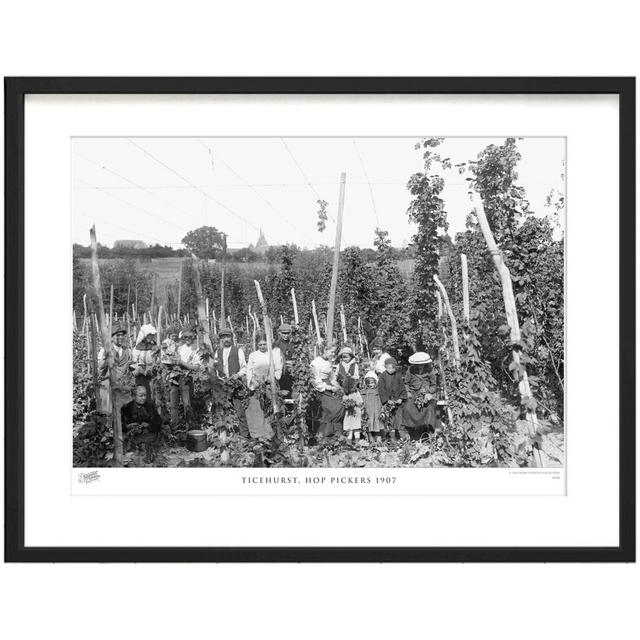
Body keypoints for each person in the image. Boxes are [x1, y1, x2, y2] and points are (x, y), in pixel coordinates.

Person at [245, 331, 283, 438]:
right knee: (257, 409)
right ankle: (258, 435)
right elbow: (249, 370)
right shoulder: (253, 355)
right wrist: (253, 381)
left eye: (264, 344)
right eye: (260, 345)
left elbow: (278, 369)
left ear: (268, 343)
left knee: (270, 408)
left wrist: (271, 378)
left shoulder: (273, 354)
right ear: (257, 345)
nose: (262, 347)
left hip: (269, 385)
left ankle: (271, 434)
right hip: (257, 386)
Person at [214, 327, 250, 438]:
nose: (226, 339)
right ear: (221, 339)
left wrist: (237, 375)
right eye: (223, 337)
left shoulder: (238, 351)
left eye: (228, 337)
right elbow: (215, 369)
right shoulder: (218, 352)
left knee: (239, 411)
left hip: (235, 385)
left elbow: (245, 367)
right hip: (222, 385)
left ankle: (244, 435)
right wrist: (218, 378)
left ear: (231, 338)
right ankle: (224, 435)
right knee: (223, 411)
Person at [309, 342, 345, 438]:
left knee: (341, 404)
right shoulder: (315, 363)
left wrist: (338, 387)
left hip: (329, 387)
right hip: (320, 390)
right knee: (333, 407)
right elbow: (316, 382)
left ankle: (336, 433)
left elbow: (332, 377)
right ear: (325, 350)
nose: (333, 354)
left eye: (335, 352)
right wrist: (329, 388)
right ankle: (325, 433)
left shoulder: (329, 362)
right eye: (332, 352)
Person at [97, 322, 132, 415]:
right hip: (108, 384)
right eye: (118, 335)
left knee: (124, 411)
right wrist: (107, 360)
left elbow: (131, 366)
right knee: (108, 411)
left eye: (122, 335)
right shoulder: (105, 350)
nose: (121, 337)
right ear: (112, 337)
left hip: (122, 384)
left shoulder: (127, 350)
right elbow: (100, 367)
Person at [121, 385, 163, 462]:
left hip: (147, 435)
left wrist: (149, 425)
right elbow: (119, 425)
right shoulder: (126, 408)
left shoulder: (150, 406)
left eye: (145, 395)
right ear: (133, 396)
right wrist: (128, 426)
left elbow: (158, 422)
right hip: (132, 436)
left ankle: (146, 454)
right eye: (141, 396)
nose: (144, 398)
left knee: (149, 441)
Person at [402, 351, 439, 439]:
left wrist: (429, 393)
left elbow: (434, 386)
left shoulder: (430, 370)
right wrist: (408, 392)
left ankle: (430, 430)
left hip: (426, 394)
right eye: (418, 364)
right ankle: (409, 430)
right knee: (407, 407)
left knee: (429, 408)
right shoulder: (410, 370)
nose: (420, 366)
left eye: (422, 364)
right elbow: (406, 383)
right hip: (413, 393)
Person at [169, 326, 201, 426]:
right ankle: (175, 426)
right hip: (175, 377)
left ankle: (189, 426)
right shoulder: (179, 348)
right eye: (185, 337)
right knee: (173, 403)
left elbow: (196, 367)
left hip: (186, 379)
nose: (188, 339)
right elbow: (174, 360)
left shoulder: (196, 350)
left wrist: (182, 363)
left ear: (193, 337)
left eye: (190, 337)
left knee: (187, 403)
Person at [377, 356, 408, 440]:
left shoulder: (398, 376)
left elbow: (402, 388)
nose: (390, 370)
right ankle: (392, 439)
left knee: (399, 420)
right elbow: (381, 389)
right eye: (388, 368)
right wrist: (387, 400)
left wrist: (401, 398)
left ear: (395, 368)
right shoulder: (382, 376)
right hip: (388, 403)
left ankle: (402, 438)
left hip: (397, 403)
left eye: (392, 368)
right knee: (390, 421)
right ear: (385, 367)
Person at [336, 346, 363, 442]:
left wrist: (351, 378)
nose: (345, 359)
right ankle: (348, 438)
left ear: (351, 357)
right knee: (347, 414)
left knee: (355, 413)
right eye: (343, 357)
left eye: (347, 357)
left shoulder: (354, 365)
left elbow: (356, 376)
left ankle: (357, 439)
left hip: (353, 391)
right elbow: (336, 377)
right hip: (344, 393)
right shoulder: (339, 366)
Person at [131, 323, 160, 398]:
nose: (151, 337)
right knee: (144, 395)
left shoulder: (154, 346)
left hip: (153, 374)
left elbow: (158, 360)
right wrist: (142, 371)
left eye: (152, 335)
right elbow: (134, 363)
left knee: (154, 396)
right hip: (141, 376)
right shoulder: (137, 348)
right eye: (149, 335)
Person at [274, 323, 295, 398]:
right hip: (280, 372)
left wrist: (293, 362)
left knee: (291, 390)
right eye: (283, 333)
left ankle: (291, 408)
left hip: (291, 371)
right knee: (281, 390)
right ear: (279, 333)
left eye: (287, 333)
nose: (286, 335)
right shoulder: (276, 344)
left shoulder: (293, 344)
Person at [361, 370, 383, 443]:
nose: (370, 385)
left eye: (372, 383)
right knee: (369, 423)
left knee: (377, 423)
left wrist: (382, 410)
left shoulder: (378, 391)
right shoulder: (364, 392)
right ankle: (370, 437)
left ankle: (378, 437)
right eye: (368, 383)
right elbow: (361, 401)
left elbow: (382, 401)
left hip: (376, 410)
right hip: (368, 411)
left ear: (376, 382)